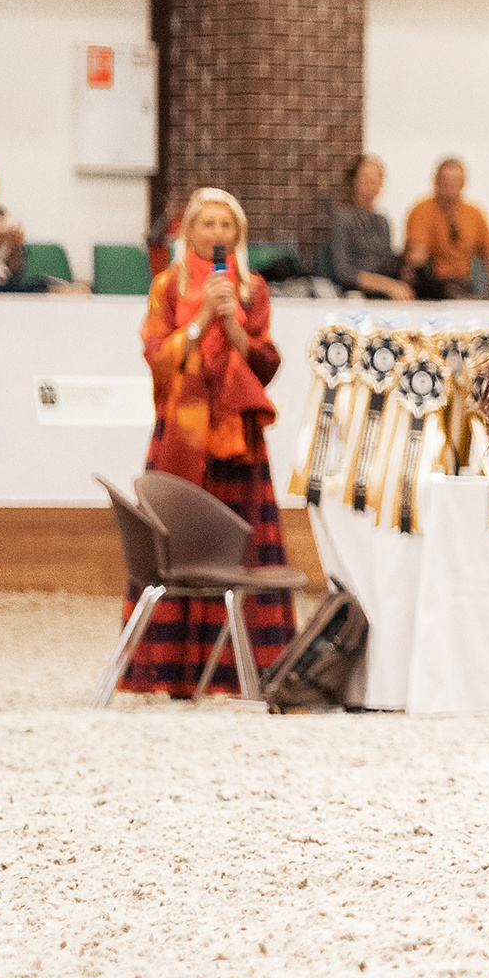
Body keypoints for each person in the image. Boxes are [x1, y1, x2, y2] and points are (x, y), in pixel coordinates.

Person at [124, 187, 297, 692]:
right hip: (183, 431)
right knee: (178, 543)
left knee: (241, 547)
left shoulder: (253, 288)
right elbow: (156, 357)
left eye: (226, 226)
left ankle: (244, 671)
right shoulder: (167, 286)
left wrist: (233, 325)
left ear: (237, 235)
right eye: (208, 224)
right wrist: (200, 322)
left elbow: (264, 364)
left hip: (236, 437)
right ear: (189, 232)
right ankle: (168, 671)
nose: (217, 234)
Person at [402, 156, 489, 300]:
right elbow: (416, 255)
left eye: (455, 181)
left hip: (462, 284)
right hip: (431, 284)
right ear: (435, 181)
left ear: (463, 183)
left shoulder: (474, 213)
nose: (450, 186)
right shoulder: (422, 209)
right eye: (445, 180)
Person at [329, 153, 413, 301]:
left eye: (374, 180)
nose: (370, 185)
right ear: (354, 181)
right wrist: (387, 285)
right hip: (352, 291)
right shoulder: (343, 218)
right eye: (365, 180)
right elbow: (343, 272)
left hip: (380, 291)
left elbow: (387, 264)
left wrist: (407, 262)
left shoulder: (382, 221)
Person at [0, 160, 28, 290]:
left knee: (39, 284)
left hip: (1, 279)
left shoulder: (0, 213)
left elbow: (14, 271)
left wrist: (16, 247)